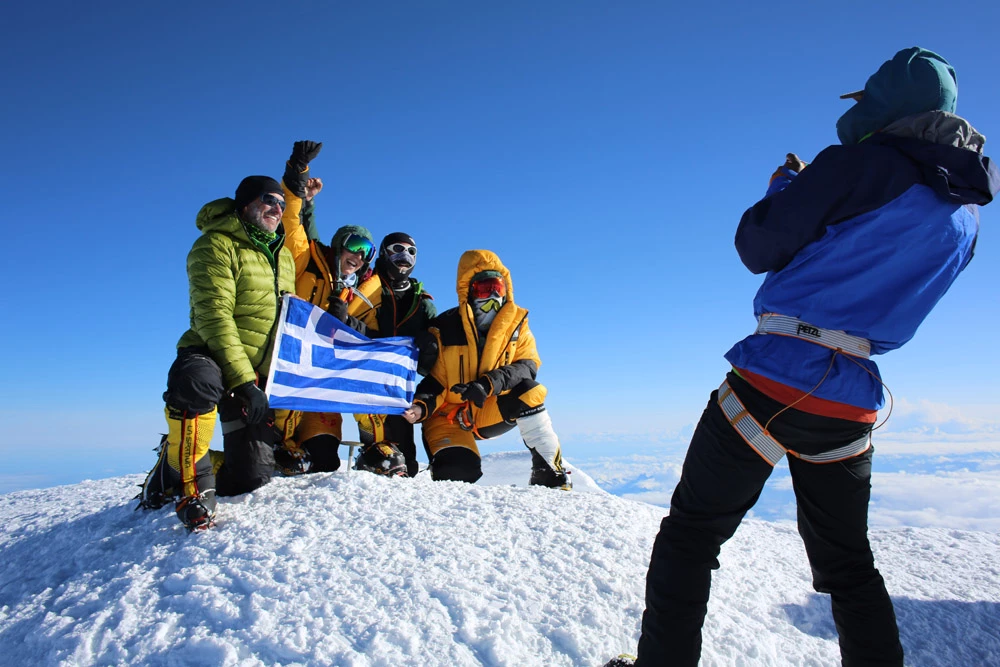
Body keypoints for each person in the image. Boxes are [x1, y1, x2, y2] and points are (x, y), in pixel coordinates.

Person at [618, 47, 998, 666]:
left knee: (690, 538)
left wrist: (787, 186)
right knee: (849, 567)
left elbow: (758, 244)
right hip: (851, 400)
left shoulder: (856, 165)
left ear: (886, 105)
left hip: (771, 378)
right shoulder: (968, 218)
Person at [137, 174, 297, 530]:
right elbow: (214, 317)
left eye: (281, 203)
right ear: (244, 204)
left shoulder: (283, 256)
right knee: (196, 381)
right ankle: (191, 486)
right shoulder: (214, 245)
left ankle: (179, 459)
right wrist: (244, 382)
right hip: (211, 353)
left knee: (251, 476)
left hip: (253, 371)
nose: (276, 208)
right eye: (268, 200)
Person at [402, 250, 571, 488]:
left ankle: (549, 473)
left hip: (485, 409)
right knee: (457, 472)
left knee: (529, 391)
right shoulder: (445, 327)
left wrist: (487, 384)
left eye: (497, 289)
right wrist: (420, 407)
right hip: (446, 414)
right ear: (468, 292)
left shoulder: (517, 326)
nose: (492, 297)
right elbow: (436, 382)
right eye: (483, 289)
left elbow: (527, 366)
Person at [272, 141, 380, 476]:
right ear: (337, 245)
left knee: (324, 462)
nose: (358, 256)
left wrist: (346, 322)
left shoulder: (354, 296)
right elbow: (291, 217)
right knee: (263, 463)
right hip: (283, 377)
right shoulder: (307, 260)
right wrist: (298, 170)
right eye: (354, 246)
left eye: (366, 251)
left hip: (320, 390)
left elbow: (371, 342)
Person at [350, 232, 437, 477]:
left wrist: (429, 348)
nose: (404, 256)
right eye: (397, 249)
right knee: (377, 454)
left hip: (399, 390)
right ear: (385, 253)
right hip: (365, 386)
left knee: (404, 462)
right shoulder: (365, 290)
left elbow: (434, 361)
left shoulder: (422, 302)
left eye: (411, 252)